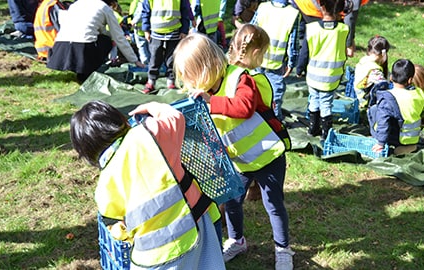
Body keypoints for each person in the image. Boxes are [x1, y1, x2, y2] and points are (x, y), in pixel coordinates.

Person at [173, 31, 294, 270]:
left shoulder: (240, 78)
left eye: (192, 77)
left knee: (274, 204)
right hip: (239, 161)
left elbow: (245, 107)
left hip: (267, 156)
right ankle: (237, 240)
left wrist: (210, 102)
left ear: (206, 68)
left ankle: (283, 248)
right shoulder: (205, 93)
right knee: (232, 202)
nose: (192, 85)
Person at [69, 100, 225, 269]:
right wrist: (153, 106)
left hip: (153, 256)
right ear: (117, 119)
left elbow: (117, 217)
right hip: (196, 225)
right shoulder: (149, 134)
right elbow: (175, 117)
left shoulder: (104, 187)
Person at [47, 0, 144, 83]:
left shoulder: (76, 4)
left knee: (100, 37)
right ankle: (87, 70)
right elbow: (119, 37)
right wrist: (134, 60)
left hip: (60, 45)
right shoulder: (104, 7)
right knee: (106, 41)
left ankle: (79, 69)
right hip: (82, 46)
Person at [296, 0, 349, 141]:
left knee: (314, 99)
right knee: (326, 103)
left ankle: (313, 129)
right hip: (331, 76)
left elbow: (304, 52)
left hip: (313, 75)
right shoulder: (343, 30)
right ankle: (326, 133)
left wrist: (300, 69)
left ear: (321, 6)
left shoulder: (312, 28)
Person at [252, 0, 300, 121]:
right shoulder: (293, 13)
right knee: (275, 96)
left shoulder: (263, 8)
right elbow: (292, 43)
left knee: (255, 90)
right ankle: (275, 123)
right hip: (276, 64)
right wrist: (291, 62)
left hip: (257, 59)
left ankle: (256, 118)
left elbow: (251, 30)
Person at [368, 59, 424, 155]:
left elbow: (384, 122)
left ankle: (387, 144)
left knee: (374, 110)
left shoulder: (389, 98)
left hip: (396, 137)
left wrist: (381, 143)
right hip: (412, 137)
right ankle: (410, 147)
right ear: (410, 80)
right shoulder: (419, 93)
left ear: (391, 77)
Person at [141, 0, 191, 94]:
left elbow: (185, 10)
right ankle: (151, 81)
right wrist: (146, 29)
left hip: (174, 31)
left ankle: (170, 81)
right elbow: (146, 10)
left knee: (172, 58)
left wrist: (184, 30)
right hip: (155, 32)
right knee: (155, 57)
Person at [292, 0, 369, 59]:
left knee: (312, 39)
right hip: (312, 8)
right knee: (324, 45)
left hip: (305, 4)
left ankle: (302, 62)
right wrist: (348, 44)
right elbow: (350, 16)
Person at [353, 36, 390, 109]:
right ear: (383, 54)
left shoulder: (364, 60)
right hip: (365, 99)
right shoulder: (375, 71)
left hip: (358, 93)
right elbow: (384, 85)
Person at [129, 0, 151, 65]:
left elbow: (140, 13)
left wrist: (133, 22)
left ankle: (145, 65)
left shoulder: (138, 3)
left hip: (140, 29)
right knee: (150, 49)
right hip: (148, 29)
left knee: (142, 48)